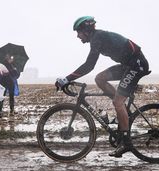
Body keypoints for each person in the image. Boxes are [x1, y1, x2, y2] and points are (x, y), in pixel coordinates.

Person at [55, 16, 150, 157]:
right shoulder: (96, 38)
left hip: (137, 65)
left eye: (78, 32)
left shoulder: (98, 37)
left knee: (118, 102)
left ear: (86, 30)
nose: (77, 36)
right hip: (128, 64)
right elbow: (90, 66)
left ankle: (126, 143)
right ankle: (122, 110)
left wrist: (67, 78)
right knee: (100, 78)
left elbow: (89, 65)